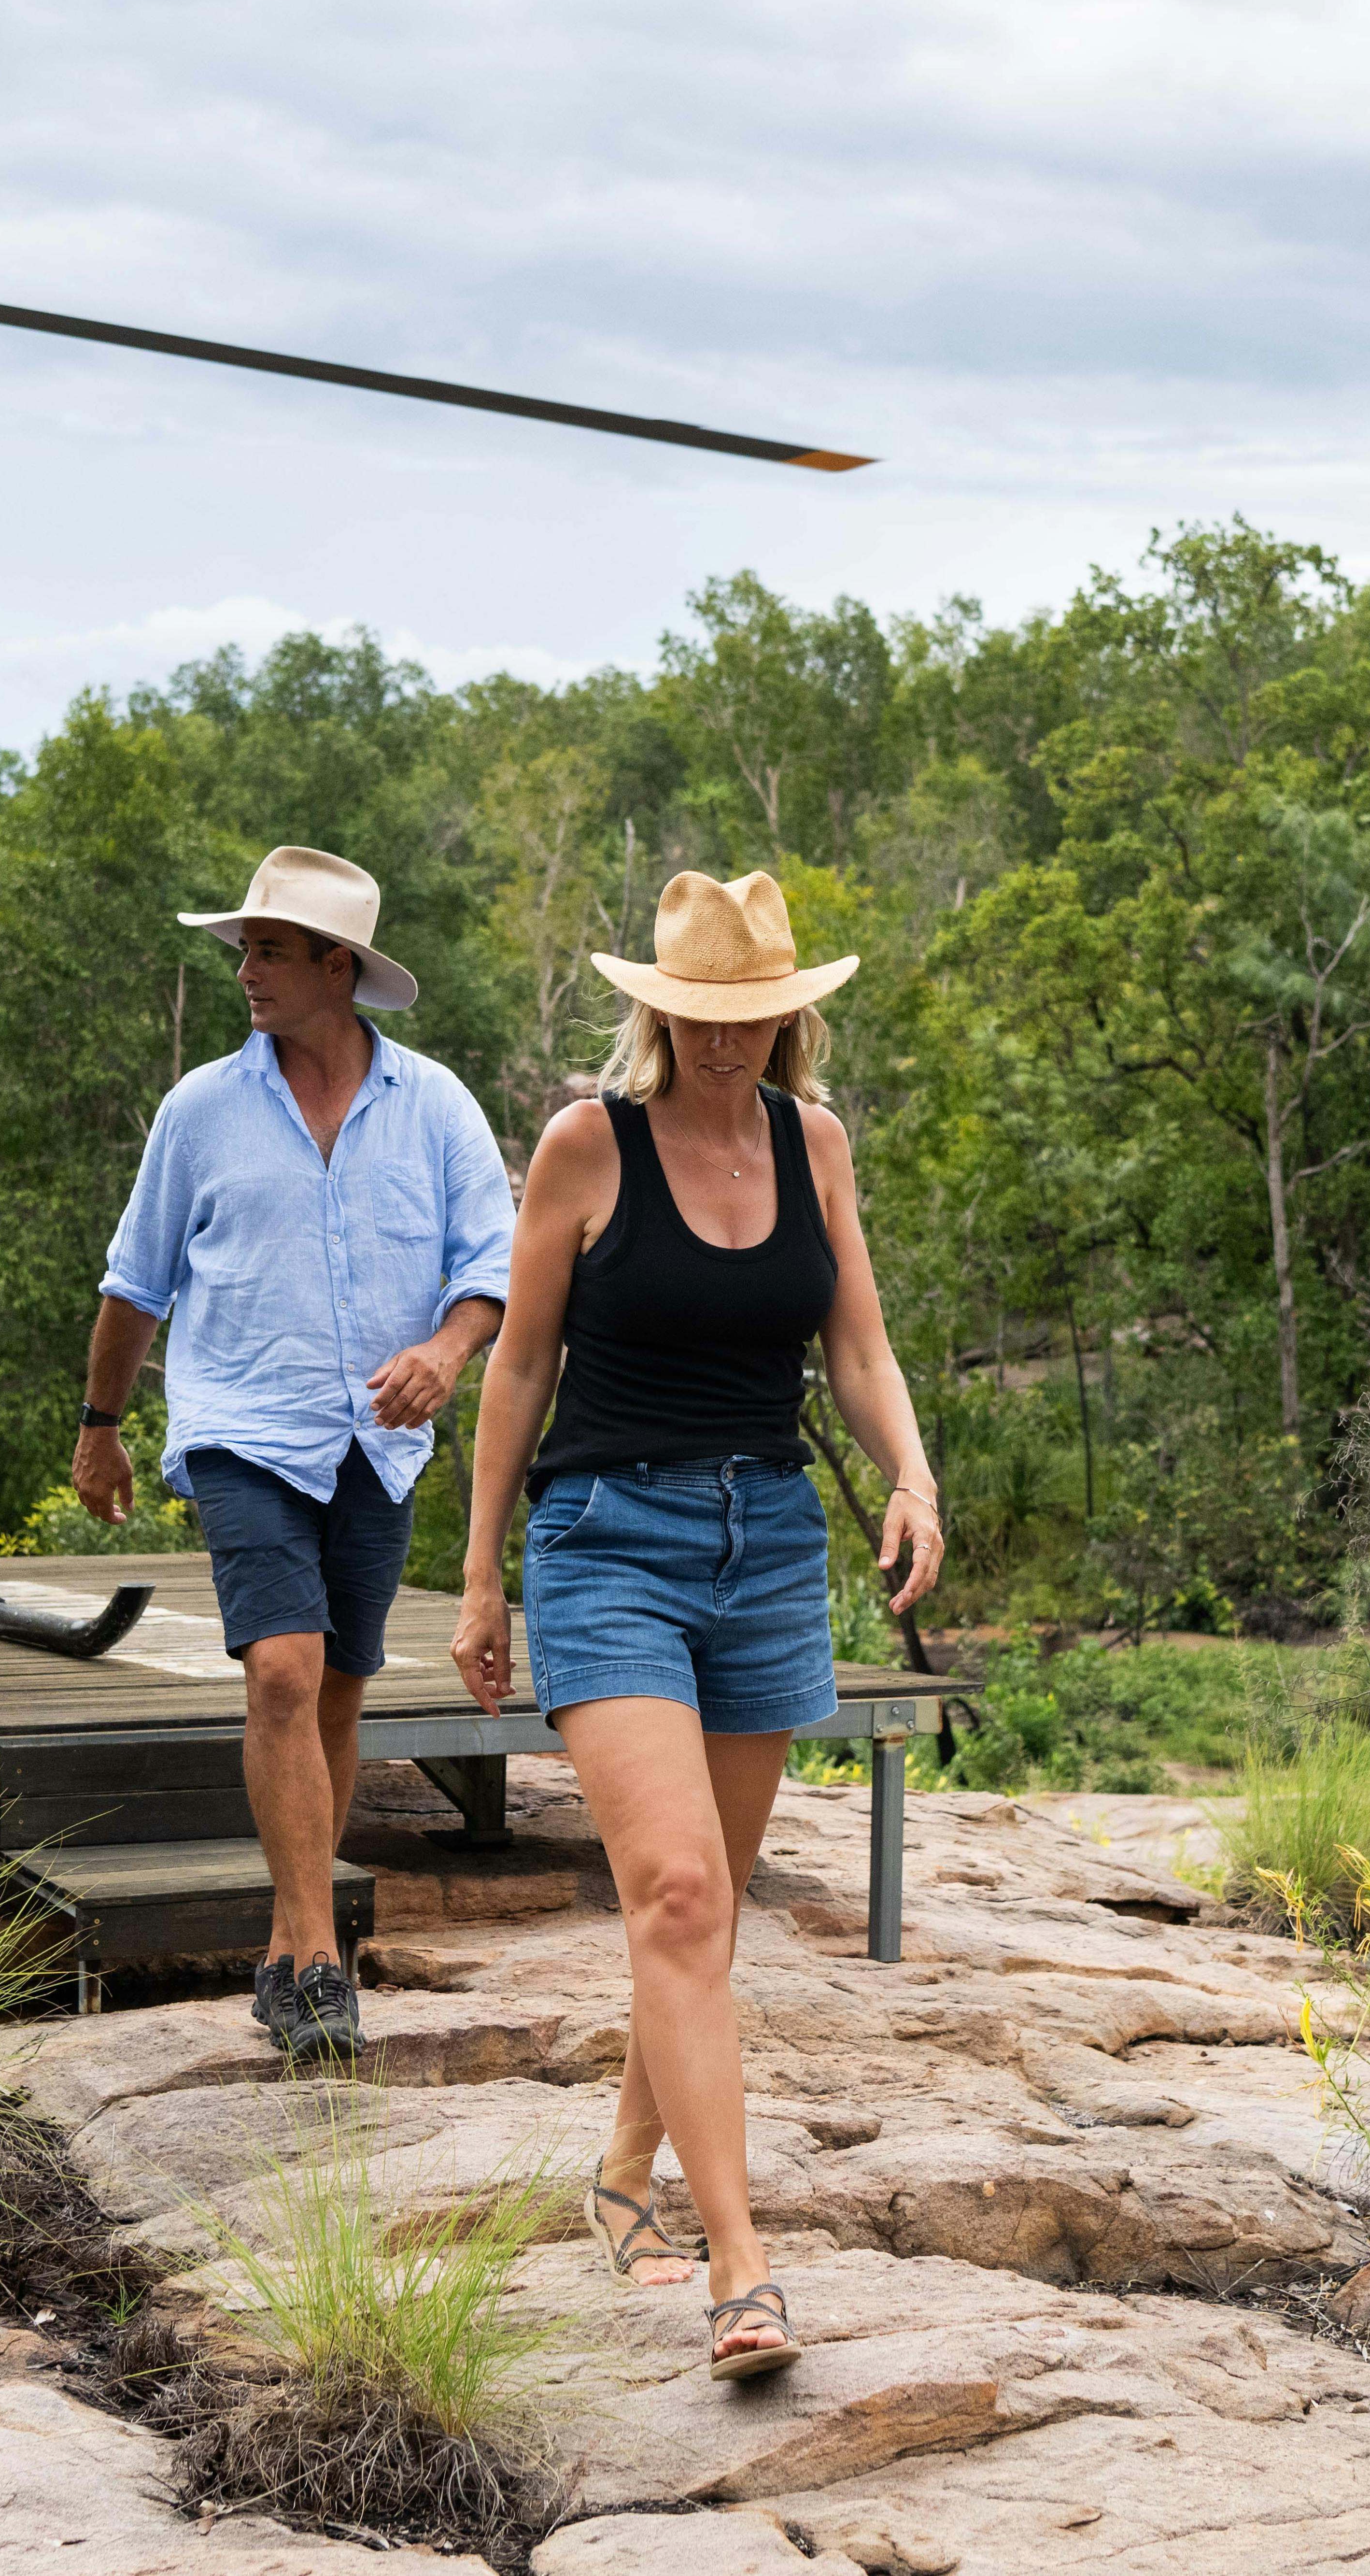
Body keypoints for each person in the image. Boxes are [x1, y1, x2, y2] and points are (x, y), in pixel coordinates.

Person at [451, 869, 944, 2385]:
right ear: (656, 1008)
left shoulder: (818, 1144)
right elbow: (520, 1367)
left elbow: (853, 1340)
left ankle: (621, 2169)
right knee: (674, 1893)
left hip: (770, 1546)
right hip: (608, 1543)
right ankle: (741, 2263)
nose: (728, 1042)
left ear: (792, 1011)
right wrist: (483, 1574)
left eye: (756, 1017)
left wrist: (914, 1472)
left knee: (706, 1905)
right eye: (699, 1017)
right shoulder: (586, 1144)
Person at [80, 846, 516, 2066]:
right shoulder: (200, 1111)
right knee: (281, 1668)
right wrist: (100, 1424)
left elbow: (497, 1263)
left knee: (333, 1688)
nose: (246, 973)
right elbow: (134, 1282)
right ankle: (322, 1959)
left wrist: (445, 1349)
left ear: (340, 969)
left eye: (269, 952)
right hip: (243, 1427)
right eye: (244, 950)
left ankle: (289, 1933)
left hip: (377, 1447)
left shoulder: (435, 1108)